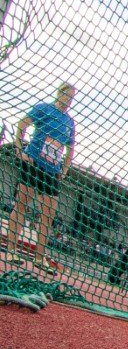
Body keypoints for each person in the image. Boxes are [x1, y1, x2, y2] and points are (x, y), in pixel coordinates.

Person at [5, 83, 77, 269]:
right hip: (33, 163)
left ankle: (39, 258)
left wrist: (65, 168)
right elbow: (22, 124)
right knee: (22, 204)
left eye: (71, 99)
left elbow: (70, 148)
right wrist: (20, 149)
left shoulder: (69, 122)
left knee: (48, 214)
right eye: (67, 97)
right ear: (59, 94)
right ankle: (11, 250)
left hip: (51, 171)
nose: (68, 102)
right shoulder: (44, 109)